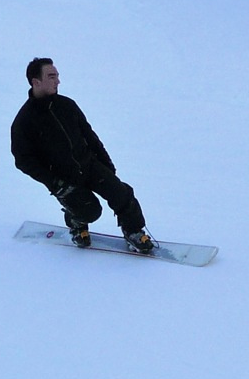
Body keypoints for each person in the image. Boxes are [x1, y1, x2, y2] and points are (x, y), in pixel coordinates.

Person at [11, 57, 155, 253]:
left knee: (121, 193)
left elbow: (90, 136)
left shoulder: (67, 105)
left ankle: (134, 232)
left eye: (57, 76)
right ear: (36, 81)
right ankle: (76, 222)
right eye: (52, 76)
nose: (58, 81)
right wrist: (54, 183)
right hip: (63, 179)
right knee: (91, 211)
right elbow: (23, 160)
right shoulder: (24, 121)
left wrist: (106, 164)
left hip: (89, 165)